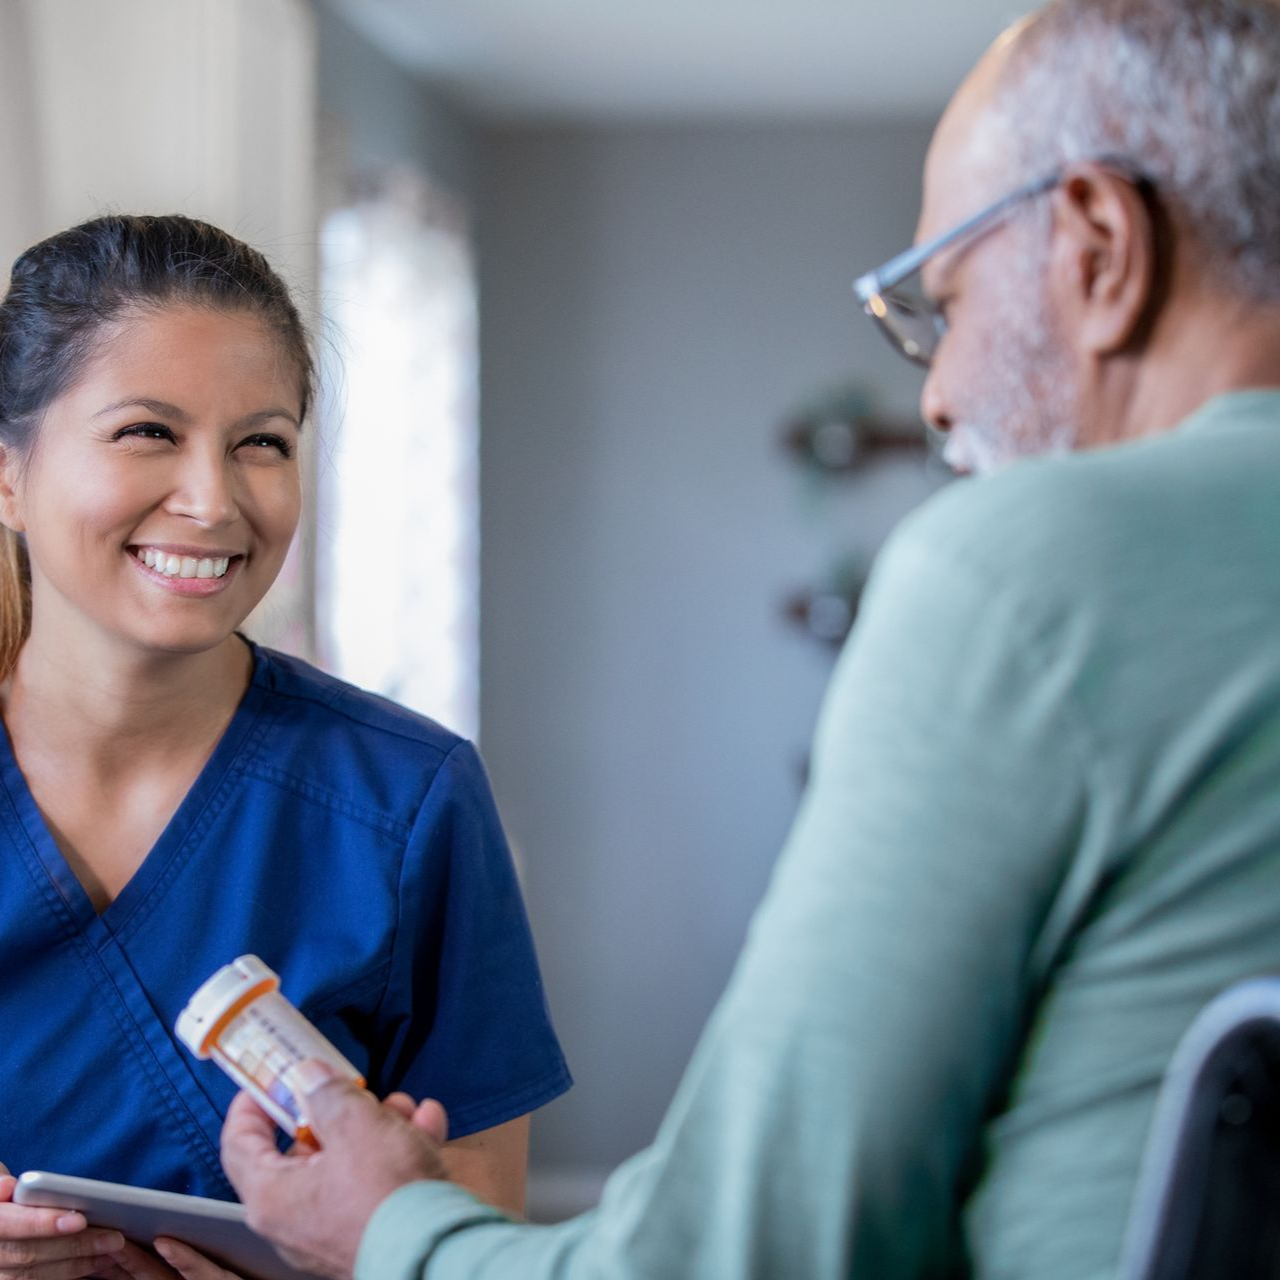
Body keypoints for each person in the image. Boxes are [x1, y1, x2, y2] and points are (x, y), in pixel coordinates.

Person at [221, 0, 1280, 1276]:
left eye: (942, 301)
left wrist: (392, 1227)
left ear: (1101, 247)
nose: (935, 393)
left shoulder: (1034, 572)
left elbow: (745, 1256)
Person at [0, 215, 570, 1280]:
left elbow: (479, 1237)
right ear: (8, 476)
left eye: (260, 442)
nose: (213, 500)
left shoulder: (408, 798)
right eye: (146, 433)